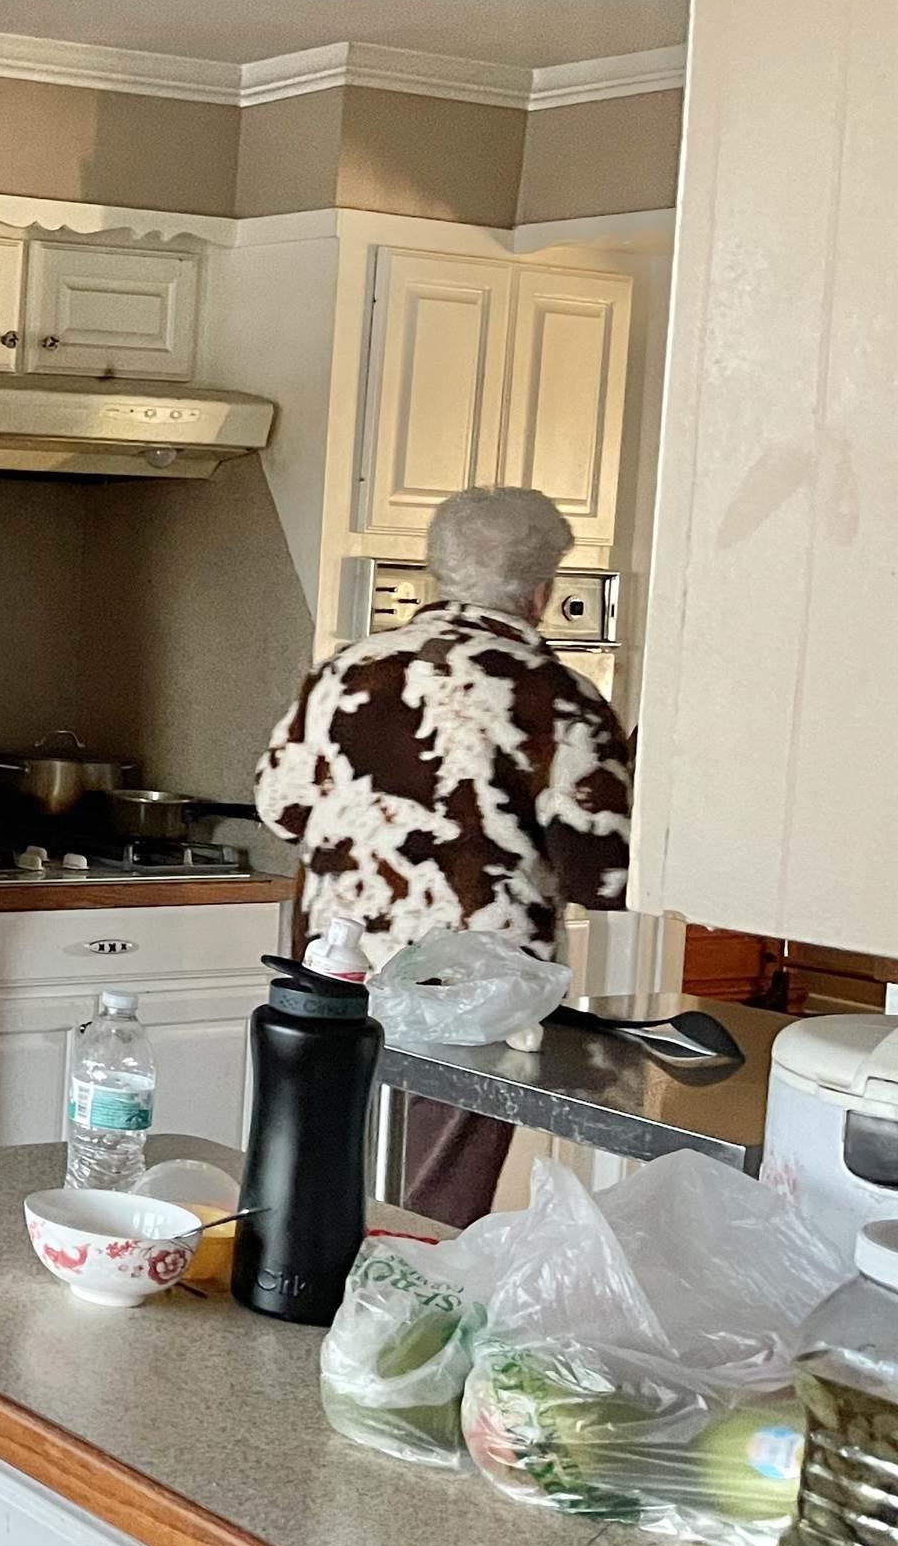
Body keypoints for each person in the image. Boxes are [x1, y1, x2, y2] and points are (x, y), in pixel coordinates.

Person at [254, 487, 635, 1225]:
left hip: (336, 979)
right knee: (426, 1213)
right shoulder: (558, 697)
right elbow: (604, 874)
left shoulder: (347, 671)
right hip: (468, 995)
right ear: (542, 589)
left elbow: (280, 804)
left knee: (315, 1189)